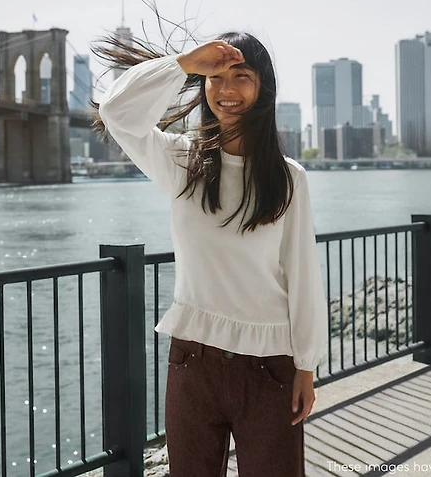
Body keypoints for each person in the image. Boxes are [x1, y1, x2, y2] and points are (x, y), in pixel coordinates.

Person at [94, 32, 328, 477]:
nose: (226, 90)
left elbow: (302, 275)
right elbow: (116, 112)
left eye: (241, 77)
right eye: (215, 78)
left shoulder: (288, 178)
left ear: (264, 88)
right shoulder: (183, 161)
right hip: (192, 363)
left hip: (269, 367)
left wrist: (306, 366)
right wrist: (183, 63)